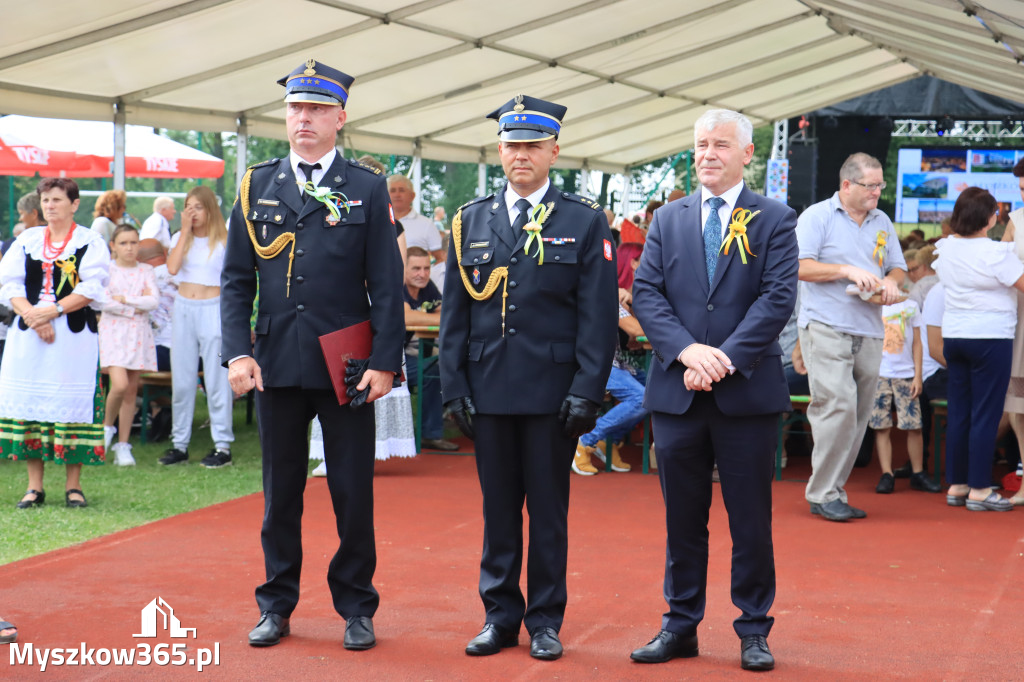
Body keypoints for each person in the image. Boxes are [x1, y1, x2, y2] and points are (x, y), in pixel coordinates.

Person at [221, 59, 404, 651]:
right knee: (281, 495)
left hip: (345, 365)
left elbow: (386, 282)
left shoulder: (368, 187)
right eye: (297, 107)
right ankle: (276, 603)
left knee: (352, 492)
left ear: (340, 118)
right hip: (276, 362)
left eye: (318, 109)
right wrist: (235, 354)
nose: (305, 118)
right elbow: (236, 281)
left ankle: (356, 606)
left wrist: (383, 361)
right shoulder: (257, 184)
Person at [439, 93, 617, 661]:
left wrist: (588, 389)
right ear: (499, 150)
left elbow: (598, 316)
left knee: (548, 514)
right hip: (488, 389)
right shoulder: (470, 221)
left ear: (554, 151)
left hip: (552, 393)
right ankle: (499, 617)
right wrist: (453, 387)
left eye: (532, 146)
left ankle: (544, 621)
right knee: (497, 514)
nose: (521, 155)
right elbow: (454, 315)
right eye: (512, 145)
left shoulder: (583, 221)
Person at [630, 109, 797, 672]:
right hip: (678, 392)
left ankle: (753, 629)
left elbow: (776, 299)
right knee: (683, 518)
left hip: (743, 392)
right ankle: (680, 625)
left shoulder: (775, 218)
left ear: (747, 154)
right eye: (701, 144)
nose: (708, 154)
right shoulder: (667, 219)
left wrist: (721, 358)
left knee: (750, 518)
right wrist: (686, 352)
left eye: (721, 145)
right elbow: (646, 293)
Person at [796, 152, 906, 522]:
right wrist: (845, 270)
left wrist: (891, 282)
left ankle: (833, 491)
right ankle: (823, 492)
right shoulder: (817, 216)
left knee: (858, 415)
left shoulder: (882, 220)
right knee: (837, 405)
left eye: (880, 185)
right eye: (870, 185)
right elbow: (800, 266)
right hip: (826, 324)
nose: (877, 192)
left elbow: (897, 267)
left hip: (871, 327)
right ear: (846, 185)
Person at [0, 178, 110, 509]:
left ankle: (73, 486)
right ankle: (34, 486)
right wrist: (34, 317)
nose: (49, 205)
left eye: (57, 200)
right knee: (32, 401)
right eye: (46, 200)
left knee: (70, 403)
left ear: (74, 205)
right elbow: (8, 283)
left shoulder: (90, 241)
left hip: (72, 335)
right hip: (29, 334)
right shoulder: (27, 240)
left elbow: (94, 287)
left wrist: (53, 310)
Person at [934, 187, 1024, 512]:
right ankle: (981, 489)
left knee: (960, 410)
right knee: (986, 413)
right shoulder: (995, 253)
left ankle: (958, 484)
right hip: (991, 337)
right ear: (990, 219)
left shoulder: (945, 248)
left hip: (955, 335)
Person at [161, 185, 234, 468]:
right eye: (188, 206)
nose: (192, 212)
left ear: (209, 209)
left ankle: (223, 446)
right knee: (182, 379)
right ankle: (179, 444)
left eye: (198, 207)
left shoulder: (224, 240)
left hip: (213, 308)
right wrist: (185, 231)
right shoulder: (181, 237)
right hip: (184, 308)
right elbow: (172, 268)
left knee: (217, 379)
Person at [573, 241, 647, 475]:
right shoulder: (607, 291)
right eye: (645, 260)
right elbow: (637, 331)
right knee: (642, 397)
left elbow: (635, 335)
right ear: (632, 264)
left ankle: (608, 441)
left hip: (611, 362)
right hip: (591, 364)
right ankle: (586, 441)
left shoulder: (620, 293)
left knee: (655, 388)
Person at [99, 225, 158, 466]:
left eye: (134, 242)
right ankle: (106, 427)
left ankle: (123, 445)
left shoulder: (146, 270)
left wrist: (124, 299)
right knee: (119, 384)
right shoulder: (107, 270)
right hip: (113, 332)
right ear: (113, 245)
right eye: (124, 243)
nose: (130, 248)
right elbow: (103, 301)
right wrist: (134, 305)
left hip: (139, 334)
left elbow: (153, 300)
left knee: (131, 389)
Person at [870, 298, 941, 493]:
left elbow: (918, 342)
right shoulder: (874, 303)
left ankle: (917, 472)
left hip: (906, 374)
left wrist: (918, 375)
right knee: (881, 425)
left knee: (914, 424)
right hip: (880, 374)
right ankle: (887, 473)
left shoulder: (910, 305)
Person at [403, 246, 456, 451]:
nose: (422, 274)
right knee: (435, 372)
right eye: (416, 268)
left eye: (426, 268)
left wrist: (432, 317)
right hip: (389, 357)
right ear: (403, 269)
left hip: (414, 352)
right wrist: (436, 318)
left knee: (443, 368)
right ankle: (429, 433)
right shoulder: (396, 285)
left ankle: (431, 432)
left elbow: (447, 312)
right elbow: (406, 317)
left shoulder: (426, 287)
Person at [1000, 157, 1024, 505]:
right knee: (1018, 404)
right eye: (1021, 188)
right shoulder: (1015, 221)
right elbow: (1000, 267)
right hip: (1019, 321)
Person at [389, 175, 446, 291]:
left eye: (402, 190)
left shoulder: (426, 224)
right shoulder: (376, 222)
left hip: (416, 292)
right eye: (392, 190)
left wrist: (423, 278)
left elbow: (441, 258)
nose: (397, 195)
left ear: (412, 196)